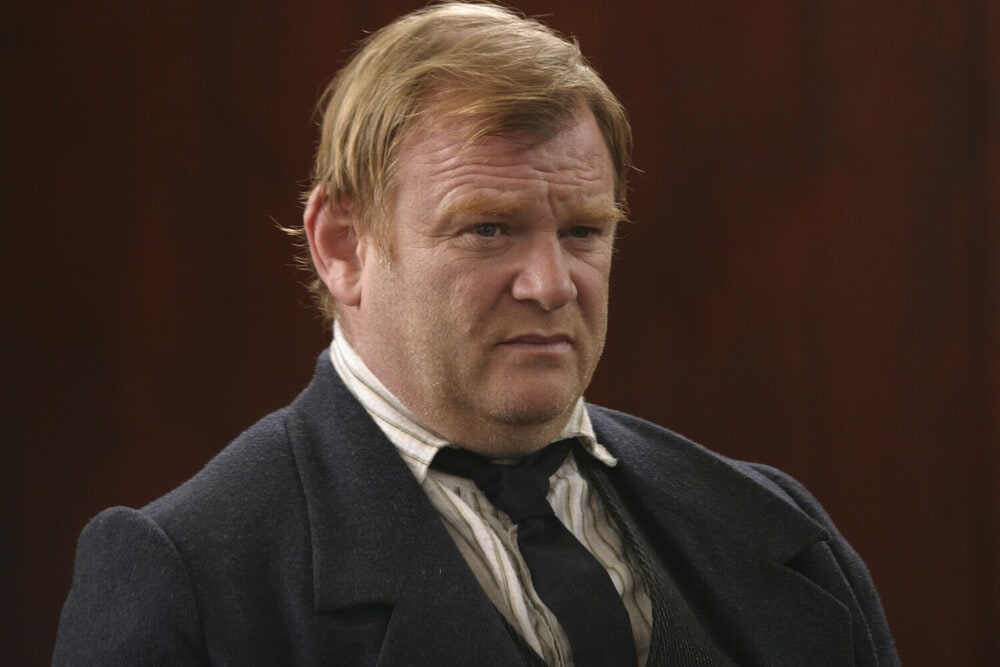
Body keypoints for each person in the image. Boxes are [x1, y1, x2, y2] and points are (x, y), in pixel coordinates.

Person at [54, 2, 898, 665]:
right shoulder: (189, 579)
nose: (552, 285)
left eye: (584, 230)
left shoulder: (779, 526)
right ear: (342, 247)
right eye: (488, 229)